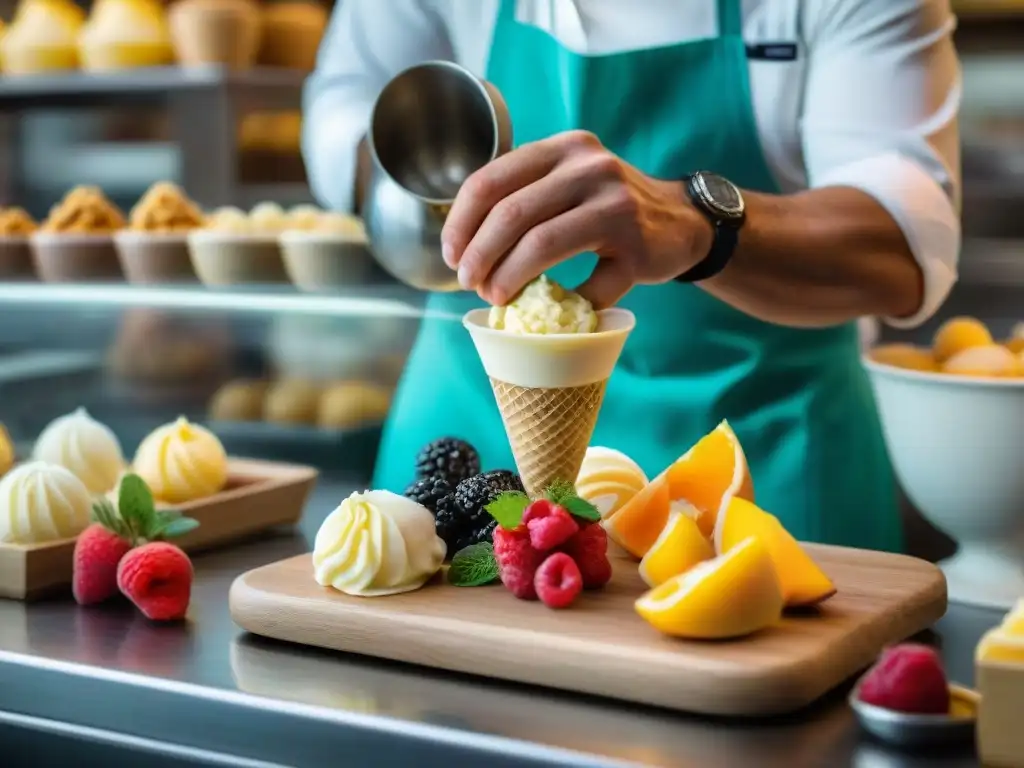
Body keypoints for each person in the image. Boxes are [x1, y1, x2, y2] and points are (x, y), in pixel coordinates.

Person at [303, 0, 961, 551]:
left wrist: (701, 220)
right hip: (471, 442)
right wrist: (416, 169)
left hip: (752, 480)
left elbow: (902, 243)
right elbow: (343, 98)